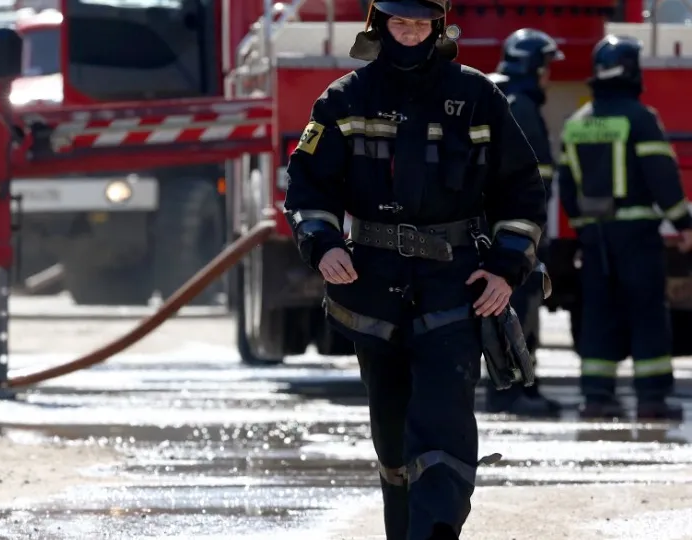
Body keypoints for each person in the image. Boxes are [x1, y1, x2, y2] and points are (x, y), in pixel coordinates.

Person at [283, 1, 547, 537]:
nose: (409, 34)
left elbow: (520, 190)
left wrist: (504, 271)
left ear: (438, 28)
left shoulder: (477, 96)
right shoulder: (344, 98)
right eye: (400, 23)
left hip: (457, 283)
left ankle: (436, 530)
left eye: (420, 24)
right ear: (380, 26)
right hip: (371, 286)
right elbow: (309, 186)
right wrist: (323, 243)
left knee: (444, 421)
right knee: (392, 429)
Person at [557, 35, 692, 421]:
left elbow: (566, 187)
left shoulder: (577, 123)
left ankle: (596, 397)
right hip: (636, 236)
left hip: (594, 237)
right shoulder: (640, 117)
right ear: (632, 70)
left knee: (599, 313)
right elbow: (661, 177)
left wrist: (583, 228)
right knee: (647, 313)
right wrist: (684, 223)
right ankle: (652, 398)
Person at [484, 28, 564, 418]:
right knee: (516, 312)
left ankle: (517, 388)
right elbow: (535, 182)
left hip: (496, 230)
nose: (549, 75)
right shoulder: (523, 107)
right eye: (547, 66)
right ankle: (511, 392)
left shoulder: (499, 96)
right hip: (515, 235)